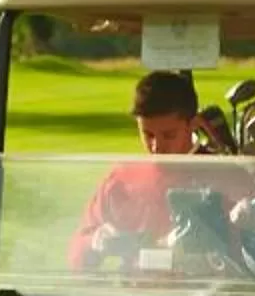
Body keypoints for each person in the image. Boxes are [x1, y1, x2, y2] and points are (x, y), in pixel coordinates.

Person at [68, 69, 203, 267]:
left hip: (200, 285)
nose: (156, 147)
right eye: (148, 134)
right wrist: (94, 242)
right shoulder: (121, 179)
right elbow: (77, 255)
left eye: (169, 135)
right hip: (136, 285)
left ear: (193, 125)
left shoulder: (224, 176)